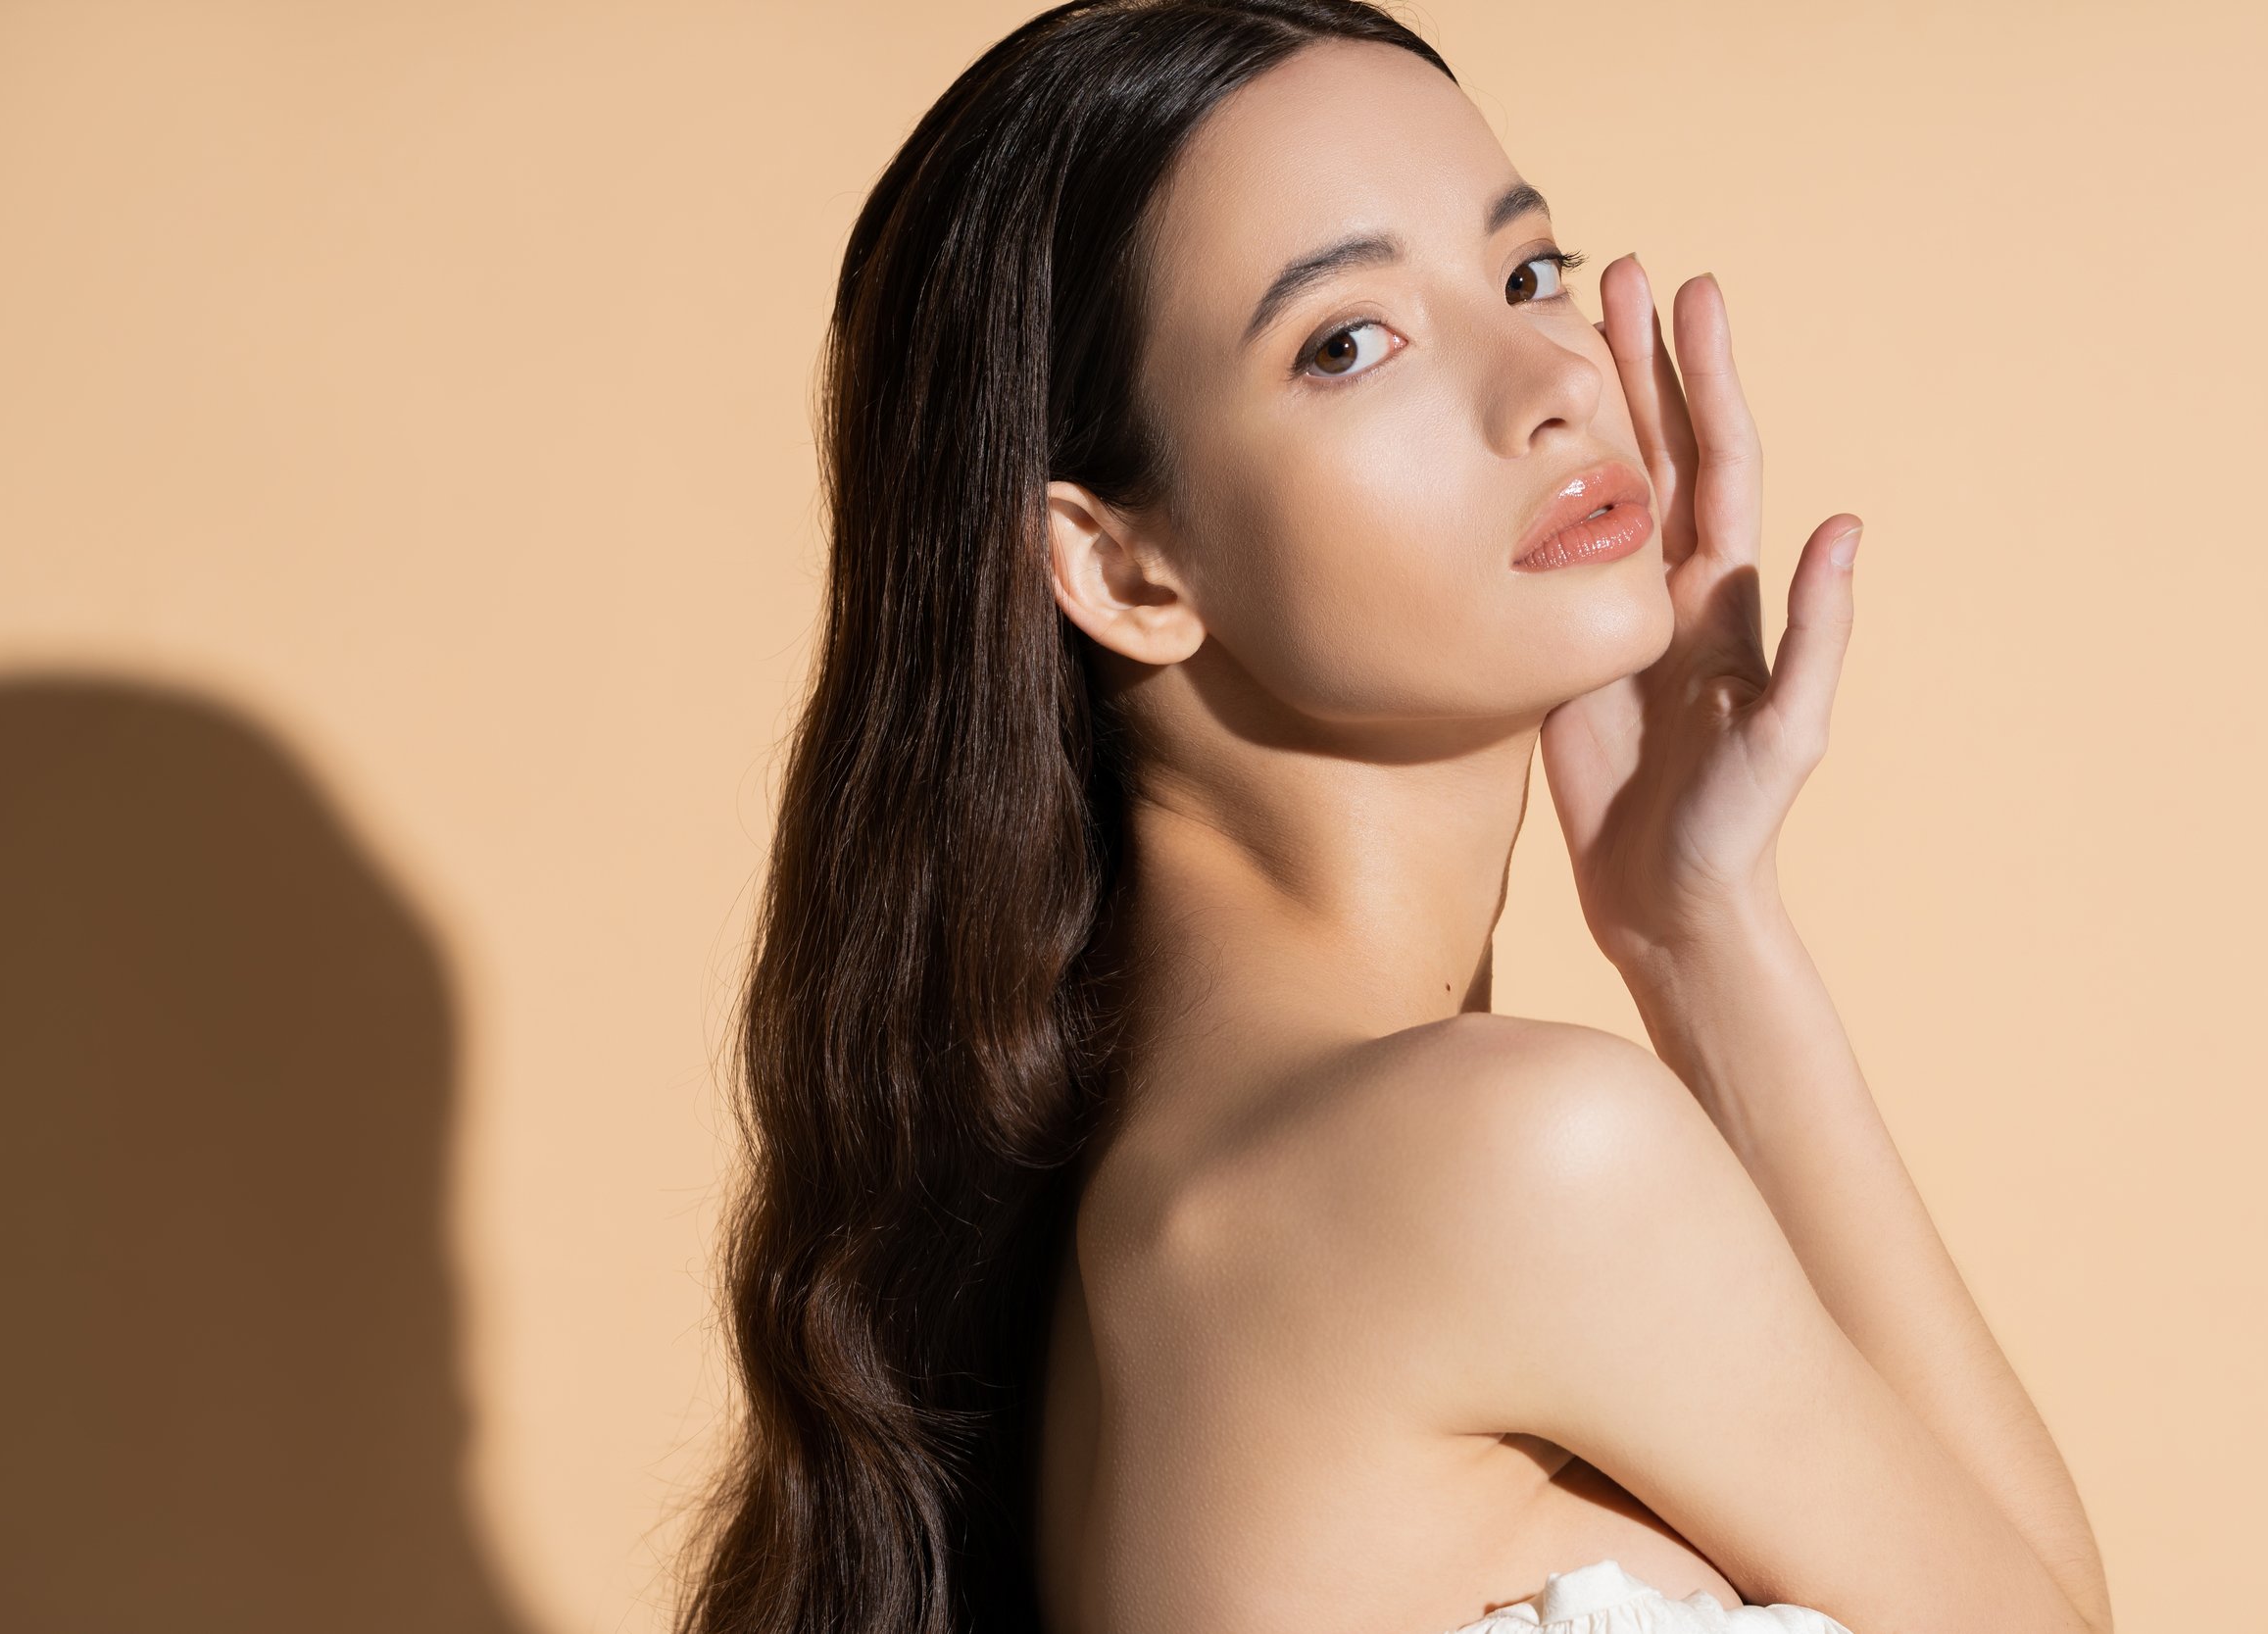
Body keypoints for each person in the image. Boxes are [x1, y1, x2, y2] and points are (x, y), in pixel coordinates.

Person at [677, 4, 2114, 1633]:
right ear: (1123, 567)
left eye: (1526, 273)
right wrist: (1709, 957)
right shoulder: (1508, 1155)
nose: (1551, 384)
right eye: (1349, 340)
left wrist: (1694, 920)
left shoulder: (1122, 1245)